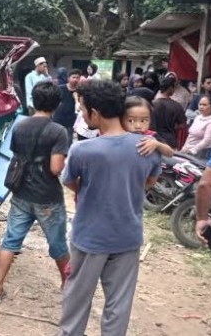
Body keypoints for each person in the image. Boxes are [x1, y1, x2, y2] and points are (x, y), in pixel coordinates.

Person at [60, 80, 161, 335]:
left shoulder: (82, 150)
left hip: (90, 238)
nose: (82, 115)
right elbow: (149, 182)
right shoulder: (148, 149)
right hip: (128, 236)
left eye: (83, 110)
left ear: (95, 112)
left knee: (77, 301)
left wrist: (92, 190)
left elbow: (71, 182)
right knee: (119, 304)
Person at [0, 81, 69, 305]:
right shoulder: (59, 132)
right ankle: (68, 288)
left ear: (33, 101)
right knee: (58, 245)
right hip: (48, 198)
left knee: (10, 242)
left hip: (21, 194)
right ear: (57, 104)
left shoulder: (20, 126)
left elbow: (17, 155)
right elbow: (55, 168)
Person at [152, 77, 186, 148]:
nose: (174, 90)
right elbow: (182, 125)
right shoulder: (176, 106)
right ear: (170, 88)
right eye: (174, 87)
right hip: (169, 141)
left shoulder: (151, 104)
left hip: (153, 139)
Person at [52, 69, 81, 144]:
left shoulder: (80, 91)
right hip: (58, 118)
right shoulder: (60, 88)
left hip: (71, 120)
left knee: (68, 141)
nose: (75, 79)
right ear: (68, 78)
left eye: (77, 77)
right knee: (56, 140)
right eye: (73, 77)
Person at [181, 93, 211, 159]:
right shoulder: (198, 117)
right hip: (189, 150)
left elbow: (207, 140)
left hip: (203, 152)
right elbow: (190, 135)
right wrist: (184, 147)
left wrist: (193, 150)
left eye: (204, 105)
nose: (201, 107)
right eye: (200, 104)